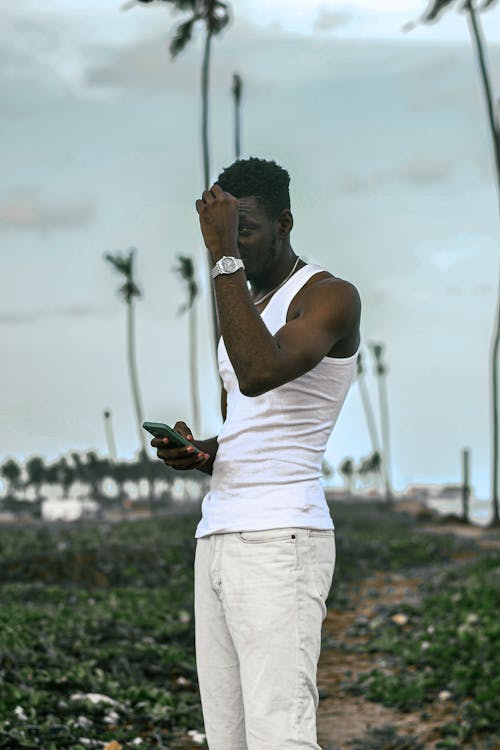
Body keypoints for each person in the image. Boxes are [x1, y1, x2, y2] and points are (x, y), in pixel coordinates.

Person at [151, 157, 361, 750]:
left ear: (285, 223)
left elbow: (258, 371)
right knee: (230, 739)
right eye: (225, 231)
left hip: (280, 539)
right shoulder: (244, 308)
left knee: (279, 737)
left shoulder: (329, 296)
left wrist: (221, 257)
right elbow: (249, 427)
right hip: (217, 536)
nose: (235, 245)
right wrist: (201, 451)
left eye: (245, 230)